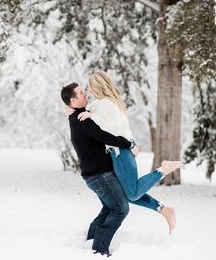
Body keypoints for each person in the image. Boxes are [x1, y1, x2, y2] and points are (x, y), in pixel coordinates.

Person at [77, 71, 182, 234]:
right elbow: (87, 112)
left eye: (92, 87)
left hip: (121, 153)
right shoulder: (103, 103)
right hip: (120, 153)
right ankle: (165, 210)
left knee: (131, 194)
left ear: (98, 86)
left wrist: (91, 117)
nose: (90, 91)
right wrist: (83, 112)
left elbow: (112, 130)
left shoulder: (107, 103)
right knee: (126, 194)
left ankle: (163, 170)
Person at [61, 82, 139, 257]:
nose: (85, 94)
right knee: (120, 209)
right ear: (73, 100)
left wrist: (73, 110)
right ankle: (99, 249)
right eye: (81, 93)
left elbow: (93, 109)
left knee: (108, 208)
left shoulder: (77, 116)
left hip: (94, 174)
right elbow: (104, 136)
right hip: (100, 175)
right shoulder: (82, 120)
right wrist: (128, 144)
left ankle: (90, 241)